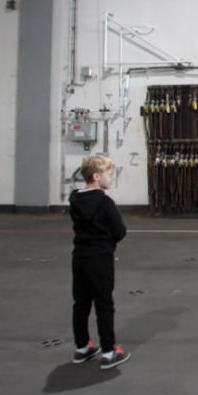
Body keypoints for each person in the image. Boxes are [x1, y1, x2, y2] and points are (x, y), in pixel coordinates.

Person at [69, 155, 130, 369]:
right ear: (96, 176)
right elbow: (120, 231)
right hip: (100, 258)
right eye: (109, 174)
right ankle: (109, 351)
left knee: (81, 303)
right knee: (104, 304)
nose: (111, 177)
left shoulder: (75, 199)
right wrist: (106, 242)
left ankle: (82, 347)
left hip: (79, 257)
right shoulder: (105, 202)